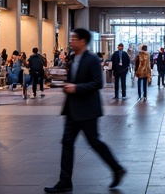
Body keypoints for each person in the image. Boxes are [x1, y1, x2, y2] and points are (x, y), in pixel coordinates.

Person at [43, 28, 125, 193]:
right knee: (67, 143)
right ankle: (65, 181)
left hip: (88, 110)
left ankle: (116, 168)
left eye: (74, 38)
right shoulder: (73, 59)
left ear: (82, 41)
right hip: (72, 110)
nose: (71, 41)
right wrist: (67, 87)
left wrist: (76, 88)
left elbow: (97, 83)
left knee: (94, 142)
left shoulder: (92, 59)